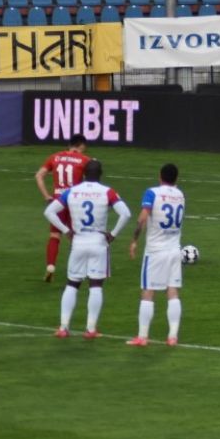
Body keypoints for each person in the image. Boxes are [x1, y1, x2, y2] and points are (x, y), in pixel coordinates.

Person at [44, 159, 132, 339]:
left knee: (72, 284)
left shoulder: (71, 191)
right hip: (98, 242)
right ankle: (91, 329)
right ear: (100, 174)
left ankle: (63, 327)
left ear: (84, 174)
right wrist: (113, 234)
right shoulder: (107, 191)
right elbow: (126, 214)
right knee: (96, 285)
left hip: (78, 241)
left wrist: (66, 230)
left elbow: (49, 212)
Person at [127, 163, 187, 347]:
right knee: (173, 291)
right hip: (174, 249)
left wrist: (134, 240)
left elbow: (142, 217)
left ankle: (142, 337)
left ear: (160, 176)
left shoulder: (152, 193)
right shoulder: (180, 195)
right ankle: (172, 336)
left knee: (148, 291)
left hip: (155, 251)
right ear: (176, 178)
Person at [35, 133, 90, 283]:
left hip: (58, 202)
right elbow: (90, 181)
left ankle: (50, 267)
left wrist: (47, 196)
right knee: (76, 237)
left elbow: (39, 175)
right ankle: (76, 270)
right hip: (74, 202)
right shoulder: (84, 160)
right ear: (81, 145)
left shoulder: (55, 157)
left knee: (55, 235)